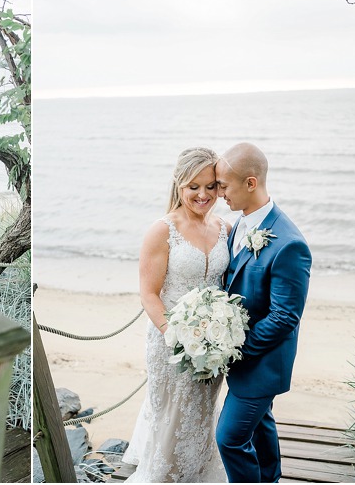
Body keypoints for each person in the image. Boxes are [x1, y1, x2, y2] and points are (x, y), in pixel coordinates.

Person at [122, 147, 230, 482]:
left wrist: (220, 332)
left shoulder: (224, 228)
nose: (202, 194)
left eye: (211, 186)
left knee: (201, 419)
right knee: (172, 422)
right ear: (179, 185)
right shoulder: (162, 230)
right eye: (193, 186)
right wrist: (179, 338)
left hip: (213, 345)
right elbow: (149, 294)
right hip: (171, 345)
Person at [214, 143, 312, 483]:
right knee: (260, 427)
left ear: (251, 183)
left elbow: (285, 316)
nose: (219, 193)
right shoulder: (239, 224)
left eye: (224, 185)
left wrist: (236, 351)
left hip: (262, 363)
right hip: (245, 361)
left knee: (228, 439)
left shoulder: (289, 243)